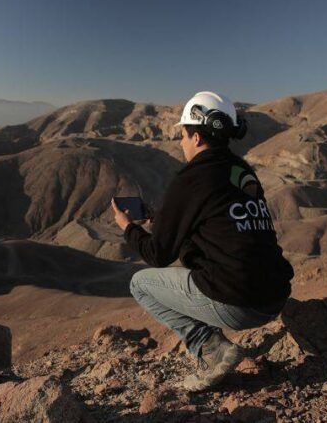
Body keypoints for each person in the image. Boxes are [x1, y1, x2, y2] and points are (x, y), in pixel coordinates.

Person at [110, 91, 294, 391]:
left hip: (241, 304)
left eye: (183, 135)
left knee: (140, 284)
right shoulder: (241, 171)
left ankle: (212, 348)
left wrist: (127, 227)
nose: (181, 142)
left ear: (196, 137)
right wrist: (168, 226)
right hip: (275, 296)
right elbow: (223, 234)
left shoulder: (192, 178)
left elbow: (157, 256)